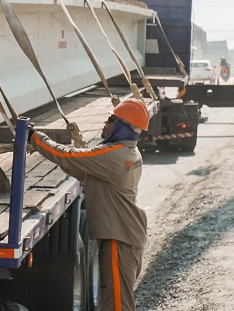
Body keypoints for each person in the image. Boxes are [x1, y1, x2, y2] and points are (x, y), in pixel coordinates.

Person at [29, 98, 149, 311]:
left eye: (111, 119)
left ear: (122, 126)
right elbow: (83, 170)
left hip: (118, 239)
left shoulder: (114, 155)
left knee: (116, 305)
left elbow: (67, 155)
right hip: (127, 235)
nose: (105, 123)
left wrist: (35, 138)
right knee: (116, 299)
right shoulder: (130, 153)